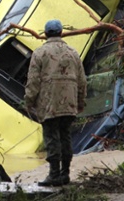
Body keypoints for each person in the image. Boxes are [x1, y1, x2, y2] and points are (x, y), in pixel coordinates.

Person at [24, 19, 87, 186]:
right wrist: (80, 102)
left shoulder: (39, 54)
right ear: (61, 33)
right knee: (65, 137)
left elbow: (33, 81)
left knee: (52, 138)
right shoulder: (73, 53)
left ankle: (53, 175)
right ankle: (65, 174)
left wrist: (28, 101)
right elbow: (82, 81)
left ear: (45, 35)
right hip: (69, 105)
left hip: (49, 104)